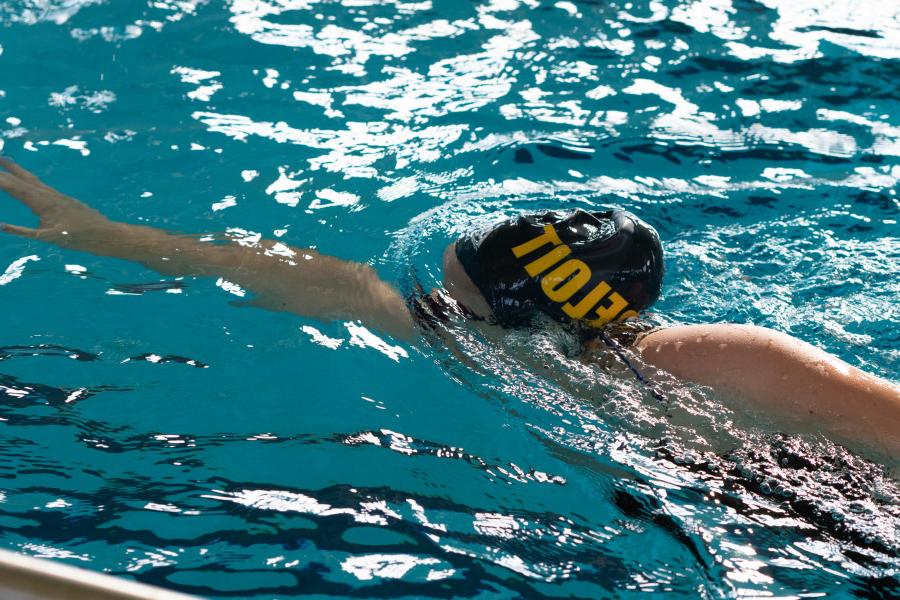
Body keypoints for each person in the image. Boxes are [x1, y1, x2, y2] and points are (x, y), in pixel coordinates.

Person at [1, 158, 897, 463]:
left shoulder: (723, 357)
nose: (433, 312)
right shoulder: (493, 343)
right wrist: (107, 233)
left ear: (528, 318)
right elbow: (306, 279)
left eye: (456, 302)